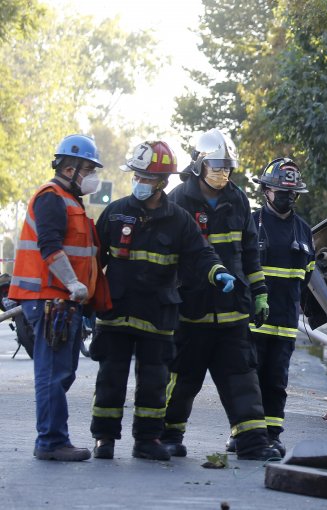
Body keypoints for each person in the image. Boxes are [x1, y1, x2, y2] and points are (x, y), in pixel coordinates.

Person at [90, 141, 236, 461]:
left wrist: (218, 272)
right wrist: (87, 301)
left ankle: (147, 440)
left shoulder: (179, 220)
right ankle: (104, 438)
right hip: (116, 312)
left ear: (162, 182)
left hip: (157, 314)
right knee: (110, 378)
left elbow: (201, 254)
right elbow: (93, 259)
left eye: (145, 177)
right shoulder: (115, 213)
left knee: (154, 383)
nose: (139, 182)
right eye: (137, 175)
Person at [161, 129, 280, 461]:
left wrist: (259, 293)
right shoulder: (178, 200)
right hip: (190, 310)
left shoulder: (238, 199)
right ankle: (168, 435)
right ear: (199, 164)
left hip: (232, 310)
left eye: (228, 166)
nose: (223, 172)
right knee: (182, 380)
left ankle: (253, 442)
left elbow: (250, 252)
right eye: (216, 166)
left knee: (242, 378)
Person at [9, 134, 112, 461]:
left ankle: (52, 438)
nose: (92, 177)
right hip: (49, 299)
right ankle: (51, 442)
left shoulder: (69, 200)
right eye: (88, 169)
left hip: (62, 301)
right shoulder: (51, 198)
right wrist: (73, 283)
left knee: (62, 371)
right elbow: (49, 247)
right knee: (53, 372)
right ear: (70, 168)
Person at [223, 157, 315, 456]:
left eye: (292, 193)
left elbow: (307, 274)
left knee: (276, 382)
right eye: (281, 192)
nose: (287, 197)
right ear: (266, 191)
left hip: (285, 322)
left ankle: (272, 435)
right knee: (247, 380)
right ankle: (241, 434)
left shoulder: (304, 231)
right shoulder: (251, 222)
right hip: (251, 319)